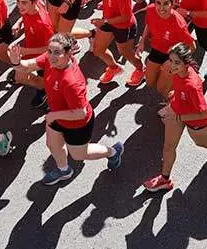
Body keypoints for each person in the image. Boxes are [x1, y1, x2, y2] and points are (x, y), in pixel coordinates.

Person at [15, 33, 125, 185]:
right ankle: (64, 170)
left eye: (57, 53)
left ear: (68, 53)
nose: (51, 56)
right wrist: (16, 61)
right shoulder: (50, 59)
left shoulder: (71, 82)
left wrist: (54, 116)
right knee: (53, 144)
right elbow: (26, 66)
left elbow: (81, 113)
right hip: (57, 114)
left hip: (77, 123)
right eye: (50, 51)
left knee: (79, 154)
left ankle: (113, 152)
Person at [143, 43, 207, 191]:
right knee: (168, 147)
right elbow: (179, 88)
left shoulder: (192, 86)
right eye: (171, 60)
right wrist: (175, 97)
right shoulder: (177, 71)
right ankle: (165, 179)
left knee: (201, 142)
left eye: (177, 63)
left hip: (197, 120)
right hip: (177, 112)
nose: (172, 65)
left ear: (186, 64)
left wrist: (181, 118)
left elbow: (202, 112)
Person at [91, 0, 145, 86]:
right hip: (109, 21)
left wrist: (104, 22)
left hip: (124, 26)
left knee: (125, 53)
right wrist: (105, 4)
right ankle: (114, 68)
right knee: (98, 50)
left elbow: (125, 17)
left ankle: (141, 69)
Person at [137, 0, 196, 99]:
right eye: (158, 3)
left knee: (161, 89)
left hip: (170, 57)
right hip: (156, 50)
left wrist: (175, 62)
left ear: (172, 4)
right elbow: (148, 24)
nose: (161, 8)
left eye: (166, 4)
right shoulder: (150, 9)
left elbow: (192, 47)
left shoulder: (178, 23)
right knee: (150, 83)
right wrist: (142, 42)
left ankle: (172, 102)